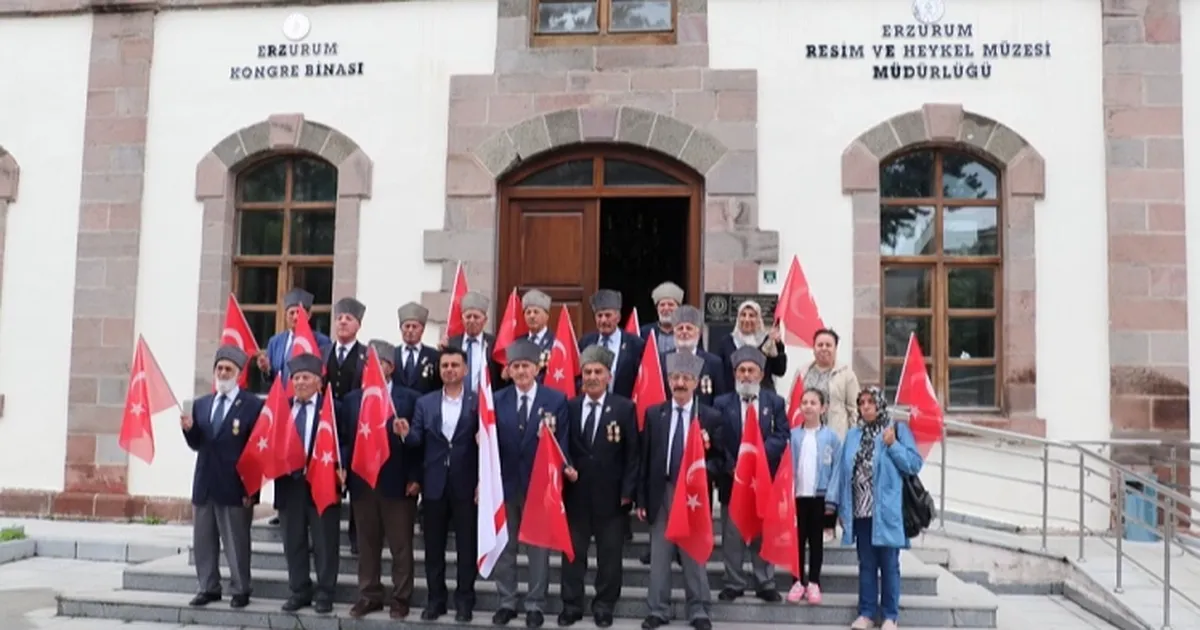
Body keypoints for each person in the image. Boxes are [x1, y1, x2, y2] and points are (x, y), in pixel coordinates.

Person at [637, 352, 725, 630]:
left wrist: (701, 471)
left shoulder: (709, 416)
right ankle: (658, 609)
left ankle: (699, 609)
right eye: (675, 377)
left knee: (693, 553)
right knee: (660, 555)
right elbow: (645, 457)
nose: (680, 383)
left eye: (686, 378)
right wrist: (641, 499)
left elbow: (721, 459)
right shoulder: (655, 414)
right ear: (668, 380)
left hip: (693, 495)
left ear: (696, 382)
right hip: (661, 491)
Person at [826, 387, 923, 630]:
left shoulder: (896, 430)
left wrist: (893, 446)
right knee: (866, 563)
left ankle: (890, 615)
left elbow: (913, 464)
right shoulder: (853, 435)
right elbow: (842, 471)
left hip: (886, 511)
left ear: (880, 404)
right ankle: (867, 612)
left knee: (889, 564)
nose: (866, 406)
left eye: (870, 402)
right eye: (861, 403)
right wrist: (837, 507)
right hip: (860, 511)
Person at [491, 339, 570, 628]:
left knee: (538, 548)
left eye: (526, 365)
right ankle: (507, 601)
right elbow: (489, 444)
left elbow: (562, 444)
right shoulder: (497, 401)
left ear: (537, 368)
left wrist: (563, 471)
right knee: (505, 547)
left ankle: (535, 604)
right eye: (516, 366)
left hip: (540, 486)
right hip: (505, 484)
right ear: (509, 371)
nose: (521, 371)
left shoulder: (555, 400)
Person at [558, 345, 639, 628]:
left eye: (598, 372)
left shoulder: (624, 407)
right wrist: (565, 466)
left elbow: (632, 454)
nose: (592, 377)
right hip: (576, 495)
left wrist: (628, 492)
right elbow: (562, 444)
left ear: (609, 375)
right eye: (587, 372)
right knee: (572, 556)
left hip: (612, 498)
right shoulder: (569, 406)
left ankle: (604, 606)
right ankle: (571, 605)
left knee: (609, 557)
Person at [343, 340, 422, 619]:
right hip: (363, 482)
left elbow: (418, 443)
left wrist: (415, 477)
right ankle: (369, 595)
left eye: (381, 363)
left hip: (398, 483)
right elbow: (346, 441)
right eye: (369, 363)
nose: (375, 367)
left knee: (401, 546)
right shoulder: (354, 399)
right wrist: (343, 469)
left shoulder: (408, 399)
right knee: (367, 544)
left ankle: (401, 597)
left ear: (392, 367)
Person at [181, 345, 264, 609]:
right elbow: (197, 444)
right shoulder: (202, 404)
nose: (223, 372)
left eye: (229, 369)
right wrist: (188, 430)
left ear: (239, 374)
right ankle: (208, 586)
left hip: (236, 486)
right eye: (220, 368)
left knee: (236, 541)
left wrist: (253, 491)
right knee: (204, 541)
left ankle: (241, 588)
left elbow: (257, 450)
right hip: (205, 483)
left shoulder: (251, 405)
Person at [404, 347, 479, 622]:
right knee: (433, 547)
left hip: (466, 484)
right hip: (434, 484)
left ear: (465, 370)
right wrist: (404, 433)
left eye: (455, 365)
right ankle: (436, 600)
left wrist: (483, 482)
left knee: (466, 548)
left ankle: (464, 601)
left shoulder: (478, 402)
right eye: (445, 365)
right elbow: (416, 440)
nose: (449, 369)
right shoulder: (425, 403)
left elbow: (488, 447)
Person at [274, 353, 349, 614]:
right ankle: (299, 590)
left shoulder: (333, 408)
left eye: (306, 377)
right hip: (289, 484)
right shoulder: (282, 408)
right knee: (293, 540)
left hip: (322, 481)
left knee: (324, 541)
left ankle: (325, 592)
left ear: (319, 382)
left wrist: (343, 467)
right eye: (296, 378)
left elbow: (346, 442)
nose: (300, 382)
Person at [713, 346, 788, 603]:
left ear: (761, 373)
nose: (746, 375)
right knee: (732, 533)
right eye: (741, 370)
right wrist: (733, 463)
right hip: (732, 478)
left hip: (763, 480)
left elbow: (782, 435)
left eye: (751, 370)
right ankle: (733, 581)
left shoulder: (774, 402)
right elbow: (717, 438)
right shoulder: (722, 403)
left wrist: (757, 457)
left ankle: (764, 581)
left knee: (762, 531)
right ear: (735, 374)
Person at [786, 388, 841, 605]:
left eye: (813, 402)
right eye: (805, 402)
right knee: (797, 542)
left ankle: (814, 582)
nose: (808, 406)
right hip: (797, 497)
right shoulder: (793, 436)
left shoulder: (831, 438)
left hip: (820, 497)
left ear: (823, 408)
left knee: (816, 542)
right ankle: (797, 580)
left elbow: (837, 470)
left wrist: (832, 499)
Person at [325, 296, 368, 554]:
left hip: (355, 425)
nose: (342, 322)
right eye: (339, 318)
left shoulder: (367, 356)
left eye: (348, 319)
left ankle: (356, 537)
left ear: (358, 325)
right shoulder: (322, 353)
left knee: (357, 481)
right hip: (326, 426)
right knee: (326, 475)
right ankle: (324, 535)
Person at [578, 289, 646, 398]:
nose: (603, 320)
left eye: (608, 315)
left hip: (623, 407)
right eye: (599, 316)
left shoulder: (635, 344)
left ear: (618, 317)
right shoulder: (586, 342)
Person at [258, 287, 333, 384]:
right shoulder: (275, 342)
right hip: (282, 396)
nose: (295, 317)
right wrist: (266, 369)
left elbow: (324, 375)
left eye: (299, 312)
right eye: (291, 313)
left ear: (309, 315)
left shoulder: (322, 341)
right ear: (285, 316)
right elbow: (270, 379)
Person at [659, 305, 727, 408]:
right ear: (674, 332)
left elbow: (720, 399)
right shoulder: (662, 360)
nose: (684, 332)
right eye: (680, 328)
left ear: (698, 333)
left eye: (689, 328)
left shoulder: (713, 363)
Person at [798, 328, 859, 438]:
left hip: (835, 437)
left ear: (835, 348)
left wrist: (852, 438)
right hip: (806, 435)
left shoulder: (846, 374)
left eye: (828, 345)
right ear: (814, 348)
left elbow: (854, 410)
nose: (824, 348)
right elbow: (794, 403)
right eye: (820, 345)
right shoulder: (802, 372)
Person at [714, 300, 786, 392]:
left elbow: (780, 370)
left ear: (758, 318)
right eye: (743, 315)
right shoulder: (727, 342)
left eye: (752, 316)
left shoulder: (767, 340)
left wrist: (777, 344)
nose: (747, 319)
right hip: (733, 398)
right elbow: (719, 374)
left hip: (763, 398)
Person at [445, 291, 503, 393]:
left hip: (485, 402)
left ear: (485, 320)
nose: (472, 320)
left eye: (476, 317)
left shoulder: (494, 344)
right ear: (462, 320)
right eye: (468, 317)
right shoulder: (451, 343)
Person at [393, 302, 443, 394]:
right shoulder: (392, 354)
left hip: (424, 406)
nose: (410, 330)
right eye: (407, 326)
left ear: (422, 329)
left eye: (414, 327)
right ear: (401, 328)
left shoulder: (434, 356)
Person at [521, 289, 556, 382]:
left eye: (536, 312)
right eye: (528, 312)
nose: (532, 316)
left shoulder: (556, 342)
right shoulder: (518, 342)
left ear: (547, 315)